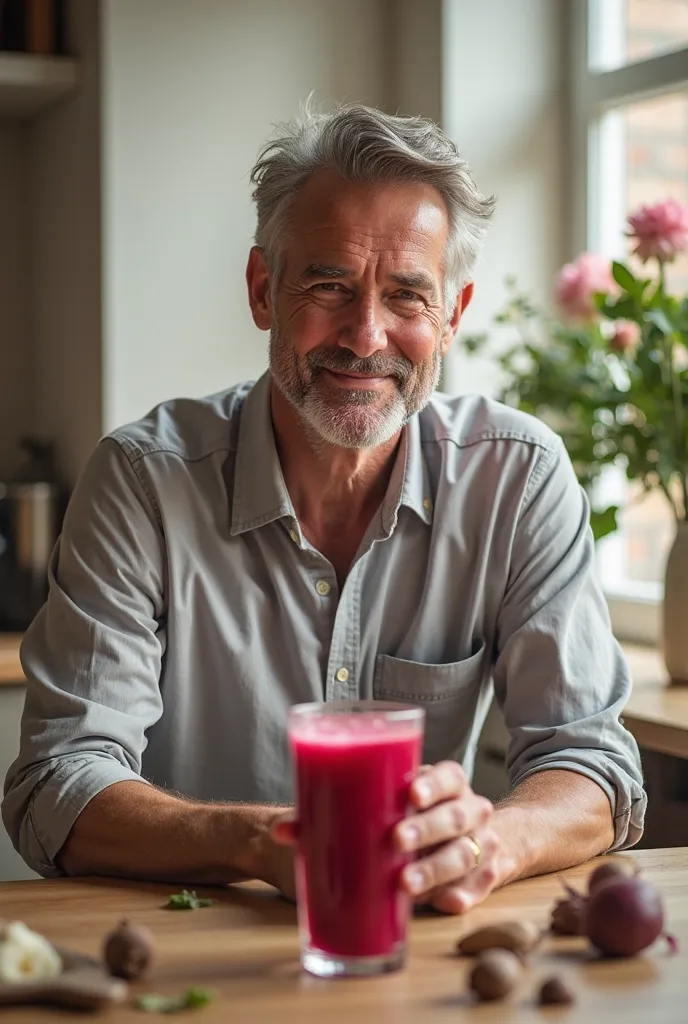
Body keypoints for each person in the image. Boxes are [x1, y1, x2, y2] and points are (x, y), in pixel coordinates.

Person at [3, 103, 645, 915]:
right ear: (263, 289)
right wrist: (267, 844)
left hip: (413, 945)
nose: (366, 335)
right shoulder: (141, 481)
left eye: (408, 296)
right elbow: (58, 784)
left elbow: (591, 763)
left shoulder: (518, 477)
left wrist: (483, 843)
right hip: (182, 950)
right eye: (329, 284)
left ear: (452, 315)